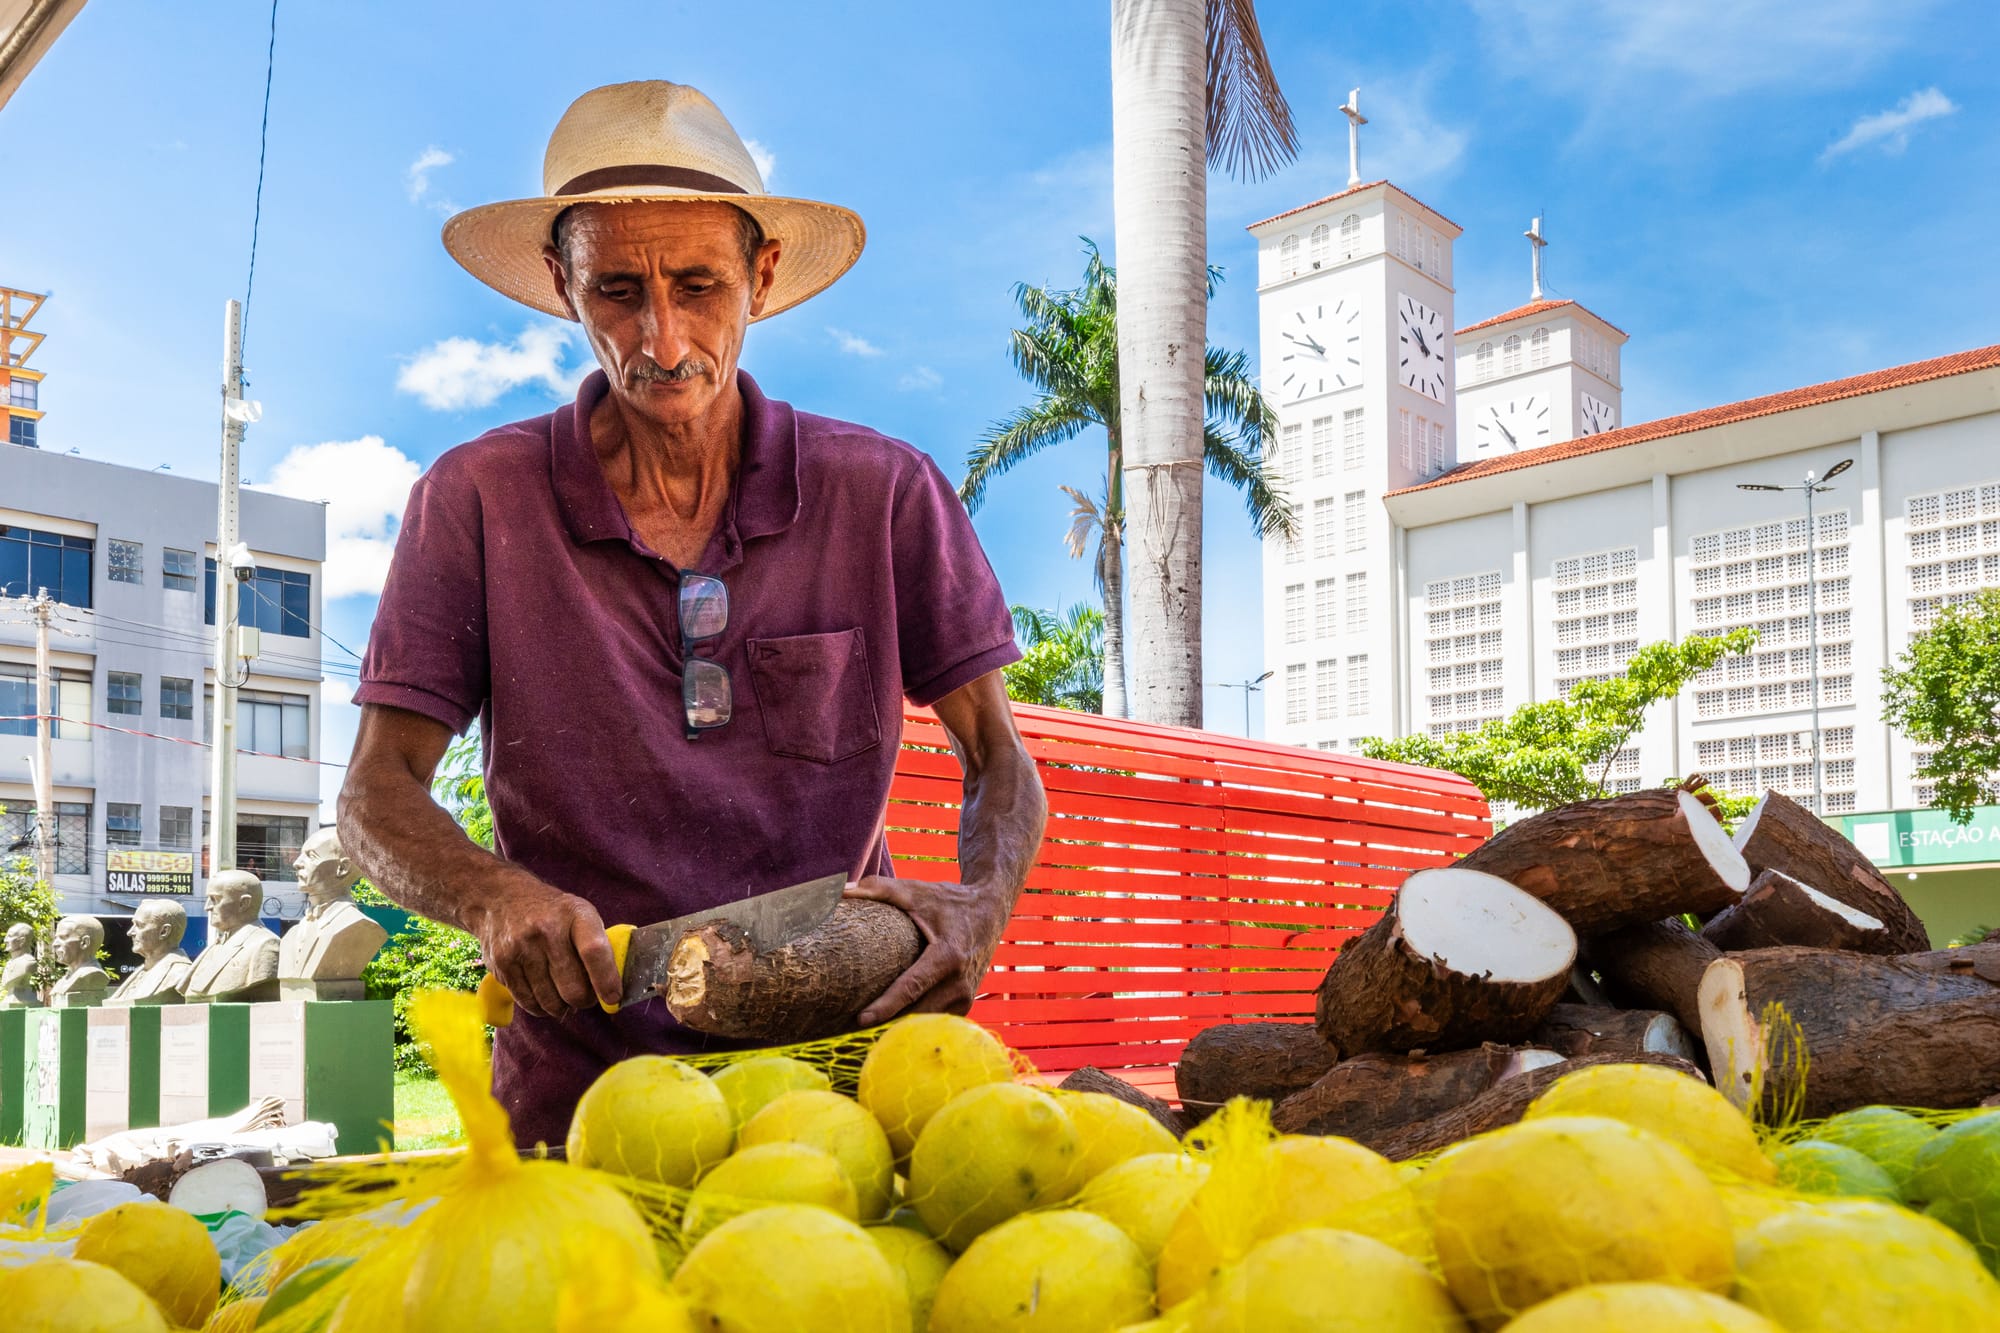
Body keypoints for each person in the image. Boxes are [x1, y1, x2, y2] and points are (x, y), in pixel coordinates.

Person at [341, 80, 1047, 1147]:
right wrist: (496, 900)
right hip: (581, 1098)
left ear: (761, 277)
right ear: (559, 284)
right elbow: (373, 796)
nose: (662, 340)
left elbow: (998, 754)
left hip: (841, 1089)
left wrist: (980, 904)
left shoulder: (882, 490)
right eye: (617, 291)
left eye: (699, 286)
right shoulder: (477, 499)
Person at [107, 900, 194, 1005]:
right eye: (133, 925)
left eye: (139, 925)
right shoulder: (143, 970)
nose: (130, 932)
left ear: (164, 932)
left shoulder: (180, 973)